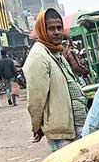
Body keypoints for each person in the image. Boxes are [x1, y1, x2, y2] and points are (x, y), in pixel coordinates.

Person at [23, 8, 89, 151]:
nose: (57, 32)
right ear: (42, 30)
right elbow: (36, 99)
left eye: (59, 27)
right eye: (51, 28)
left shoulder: (56, 51)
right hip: (60, 129)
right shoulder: (38, 57)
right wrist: (36, 126)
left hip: (74, 125)